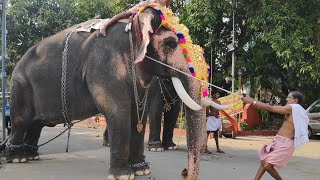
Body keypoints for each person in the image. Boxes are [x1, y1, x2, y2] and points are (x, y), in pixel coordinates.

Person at [242, 91, 309, 180]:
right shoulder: (298, 110)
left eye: (289, 98)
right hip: (279, 140)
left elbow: (270, 108)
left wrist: (252, 101)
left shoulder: (294, 108)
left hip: (286, 143)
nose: (286, 99)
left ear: (295, 100)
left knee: (267, 166)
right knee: (264, 162)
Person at [100, 0, 172, 36]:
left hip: (161, 17)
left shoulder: (167, 7)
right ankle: (105, 25)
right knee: (125, 14)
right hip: (146, 9)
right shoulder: (150, 3)